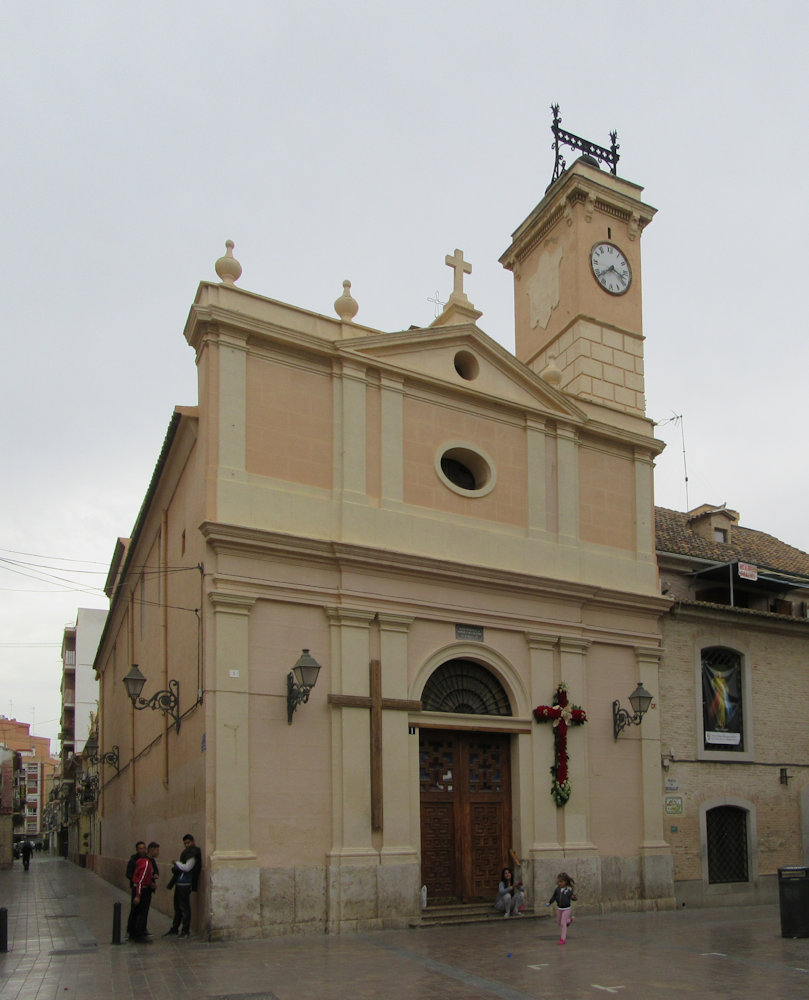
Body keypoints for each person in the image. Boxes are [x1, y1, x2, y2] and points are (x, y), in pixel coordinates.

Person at [164, 833, 202, 938]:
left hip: (185, 884)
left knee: (184, 908)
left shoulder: (193, 854)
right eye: (185, 843)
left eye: (188, 842)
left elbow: (187, 867)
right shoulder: (186, 853)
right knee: (178, 908)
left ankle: (185, 931)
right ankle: (175, 928)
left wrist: (177, 863)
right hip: (180, 883)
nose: (187, 845)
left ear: (193, 842)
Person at [130, 842, 160, 942]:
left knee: (138, 912)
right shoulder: (146, 862)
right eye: (157, 850)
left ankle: (135, 933)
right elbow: (140, 880)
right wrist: (138, 895)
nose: (158, 852)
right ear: (152, 850)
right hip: (142, 891)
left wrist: (151, 883)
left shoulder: (145, 861)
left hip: (143, 888)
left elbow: (144, 877)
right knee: (142, 912)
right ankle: (139, 935)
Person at [546, 871, 577, 944]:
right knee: (559, 923)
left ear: (565, 882)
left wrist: (574, 897)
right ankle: (569, 921)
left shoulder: (569, 889)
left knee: (563, 923)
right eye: (559, 882)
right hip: (559, 908)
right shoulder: (557, 889)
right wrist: (549, 902)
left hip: (566, 909)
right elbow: (554, 897)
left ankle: (563, 939)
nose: (560, 883)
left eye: (561, 881)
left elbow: (573, 897)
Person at [125, 841, 148, 940]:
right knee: (135, 910)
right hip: (136, 887)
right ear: (137, 849)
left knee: (143, 911)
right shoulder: (133, 860)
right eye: (140, 848)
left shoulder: (147, 859)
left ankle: (141, 929)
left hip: (145, 888)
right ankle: (131, 931)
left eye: (144, 848)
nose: (142, 850)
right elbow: (128, 873)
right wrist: (135, 879)